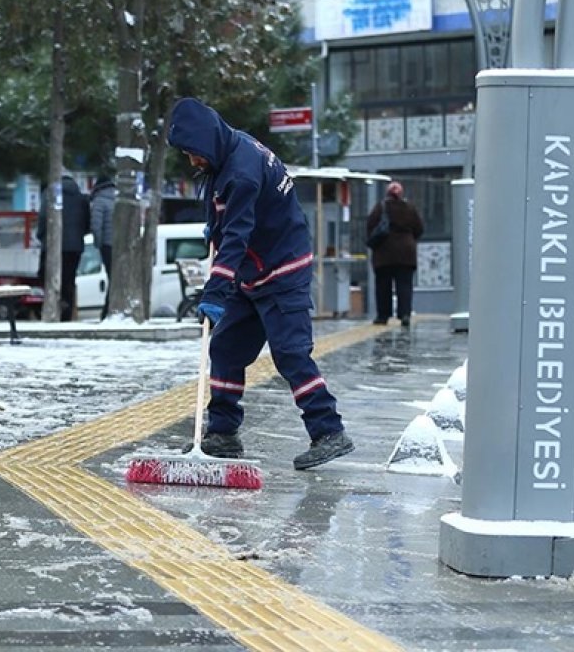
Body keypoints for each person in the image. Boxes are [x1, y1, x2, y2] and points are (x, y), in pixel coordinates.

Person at [166, 97, 354, 471]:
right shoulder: (228, 149)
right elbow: (228, 219)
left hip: (282, 270)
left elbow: (237, 236)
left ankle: (328, 431)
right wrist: (213, 227)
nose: (193, 161)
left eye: (193, 153)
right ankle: (222, 433)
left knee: (290, 353)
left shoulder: (242, 170)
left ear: (206, 141)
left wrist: (215, 291)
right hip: (251, 273)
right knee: (225, 350)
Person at [366, 181, 424, 327]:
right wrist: (409, 238)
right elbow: (419, 228)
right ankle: (404, 314)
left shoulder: (380, 207)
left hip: (384, 254)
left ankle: (383, 315)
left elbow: (370, 226)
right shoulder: (410, 208)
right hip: (406, 253)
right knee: (404, 286)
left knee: (383, 286)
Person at [37, 173, 90, 321]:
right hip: (75, 247)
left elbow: (42, 218)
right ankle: (66, 312)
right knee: (69, 280)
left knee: (46, 276)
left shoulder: (49, 193)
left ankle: (53, 307)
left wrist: (41, 237)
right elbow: (87, 224)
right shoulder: (81, 198)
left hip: (52, 245)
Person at [88, 174, 118, 319]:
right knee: (116, 278)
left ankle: (106, 312)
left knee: (111, 279)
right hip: (119, 245)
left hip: (107, 244)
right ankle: (110, 310)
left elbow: (96, 225)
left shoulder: (99, 201)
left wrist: (97, 244)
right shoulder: (118, 198)